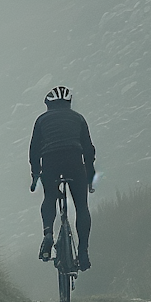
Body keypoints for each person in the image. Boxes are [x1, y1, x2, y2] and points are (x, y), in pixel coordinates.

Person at [28, 84, 95, 270]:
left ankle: (48, 233)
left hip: (50, 162)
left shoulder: (41, 120)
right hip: (74, 161)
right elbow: (88, 150)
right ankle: (83, 252)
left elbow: (34, 150)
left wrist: (35, 174)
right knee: (82, 206)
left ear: (48, 104)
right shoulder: (79, 119)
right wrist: (90, 174)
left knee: (50, 197)